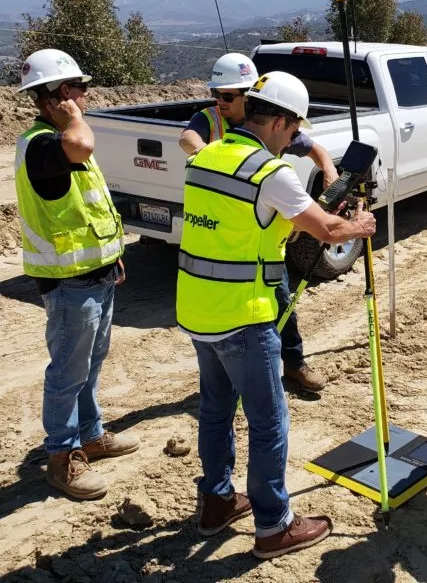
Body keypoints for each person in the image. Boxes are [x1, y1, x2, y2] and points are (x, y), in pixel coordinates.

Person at [176, 71, 376, 557]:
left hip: (198, 308)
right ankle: (273, 525)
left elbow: (241, 222)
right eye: (292, 130)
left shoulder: (206, 155)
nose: (292, 140)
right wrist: (359, 224)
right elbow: (328, 229)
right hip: (244, 315)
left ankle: (218, 501)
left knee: (217, 412)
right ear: (281, 122)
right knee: (268, 422)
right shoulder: (270, 173)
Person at [14, 49, 139, 501]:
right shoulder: (45, 144)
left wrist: (112, 257)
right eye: (79, 88)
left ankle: (91, 435)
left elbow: (88, 207)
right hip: (69, 284)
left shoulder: (60, 139)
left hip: (96, 274)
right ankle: (62, 459)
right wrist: (72, 118)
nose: (86, 95)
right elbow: (83, 144)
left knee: (90, 363)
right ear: (62, 93)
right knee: (67, 372)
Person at [179, 52, 338, 393]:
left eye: (229, 96)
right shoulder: (209, 120)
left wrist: (328, 169)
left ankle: (294, 364)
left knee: (281, 301)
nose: (220, 102)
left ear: (249, 97)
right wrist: (213, 158)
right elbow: (188, 141)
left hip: (265, 235)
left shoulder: (273, 123)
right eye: (217, 94)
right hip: (231, 231)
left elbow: (313, 148)